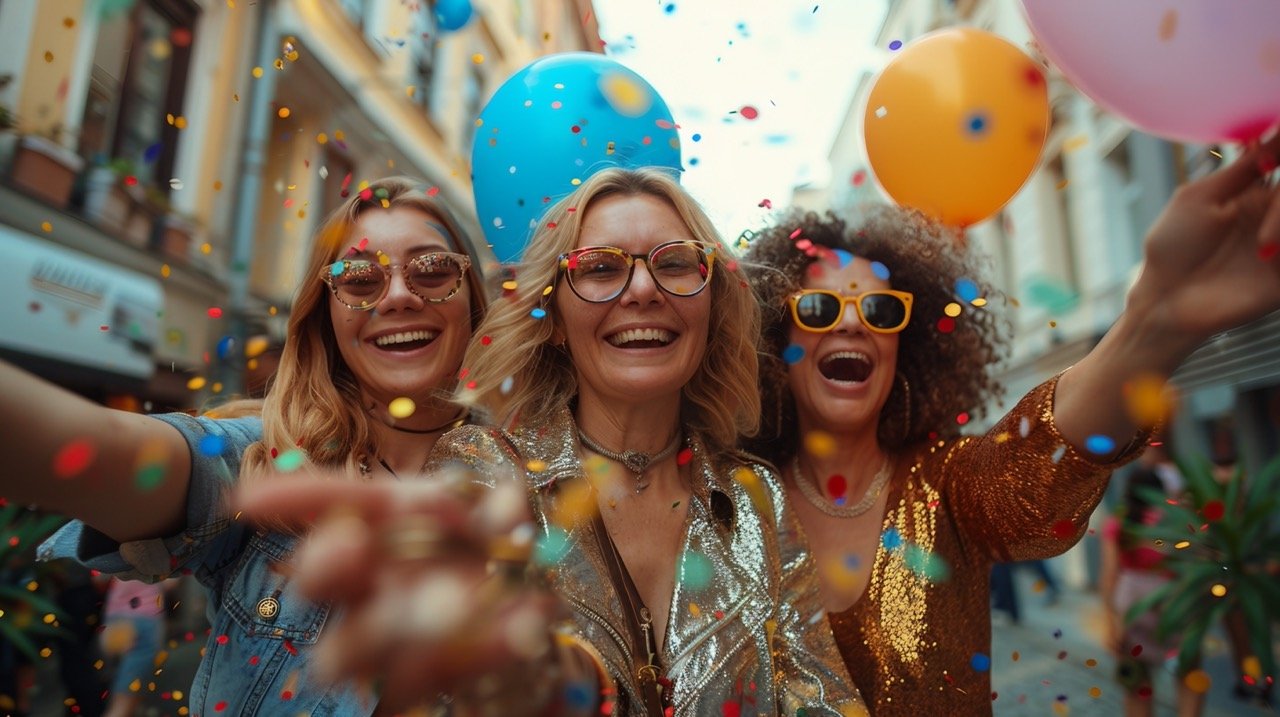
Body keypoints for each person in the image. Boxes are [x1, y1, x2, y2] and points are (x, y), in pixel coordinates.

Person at [240, 166, 866, 715]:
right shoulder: (480, 472)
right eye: (599, 269)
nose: (643, 290)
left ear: (712, 307)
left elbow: (826, 703)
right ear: (557, 321)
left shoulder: (759, 499)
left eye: (675, 262)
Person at [740, 132, 1280, 715]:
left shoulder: (949, 484)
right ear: (777, 338)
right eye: (819, 308)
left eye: (880, 309)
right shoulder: (726, 502)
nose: (852, 326)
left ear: (906, 345)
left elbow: (1040, 464)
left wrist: (1158, 318)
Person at [2, 176, 489, 715]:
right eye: (357, 277)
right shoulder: (266, 462)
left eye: (433, 269)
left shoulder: (540, 485)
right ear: (327, 317)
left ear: (473, 299)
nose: (397, 295)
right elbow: (97, 449)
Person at [1099, 467, 1202, 717]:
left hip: (1132, 604)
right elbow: (1198, 558)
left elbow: (1109, 574)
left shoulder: (1118, 523)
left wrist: (1111, 621)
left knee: (1137, 684)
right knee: (1189, 674)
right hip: (1173, 602)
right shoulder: (1176, 520)